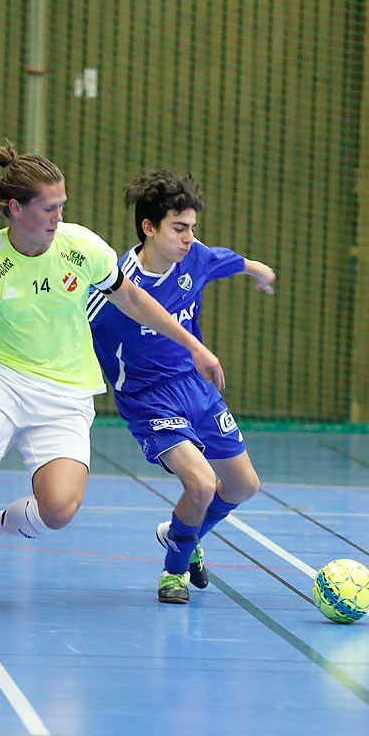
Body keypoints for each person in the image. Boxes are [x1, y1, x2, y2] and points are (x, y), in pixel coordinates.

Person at [0, 142, 227, 610]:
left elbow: (134, 300)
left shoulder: (82, 247)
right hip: (5, 379)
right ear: (16, 208)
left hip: (69, 393)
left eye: (62, 206)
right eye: (49, 208)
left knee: (59, 510)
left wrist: (194, 346)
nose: (58, 216)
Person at [86, 170, 276, 603]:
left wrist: (256, 269)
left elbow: (224, 259)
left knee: (244, 485)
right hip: (148, 397)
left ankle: (180, 534)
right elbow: (75, 330)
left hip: (196, 388)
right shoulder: (113, 289)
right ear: (148, 228)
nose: (188, 238)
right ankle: (174, 573)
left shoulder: (195, 257)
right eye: (178, 228)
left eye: (192, 227)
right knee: (202, 484)